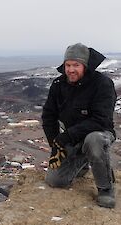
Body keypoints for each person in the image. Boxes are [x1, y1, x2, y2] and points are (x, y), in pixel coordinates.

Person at [42, 43, 117, 208]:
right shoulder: (58, 85)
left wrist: (66, 136)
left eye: (76, 65)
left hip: (100, 133)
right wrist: (56, 145)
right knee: (55, 180)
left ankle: (105, 188)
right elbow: (48, 116)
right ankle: (83, 164)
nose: (70, 70)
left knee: (93, 140)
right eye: (68, 65)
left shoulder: (102, 84)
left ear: (85, 65)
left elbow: (101, 120)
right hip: (73, 136)